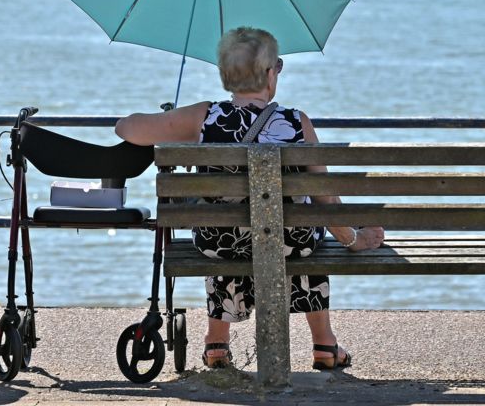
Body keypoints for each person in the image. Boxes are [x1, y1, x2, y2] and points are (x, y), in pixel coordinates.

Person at [115, 27, 385, 370]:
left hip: (220, 243)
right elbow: (325, 197)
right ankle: (324, 345)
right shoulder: (297, 123)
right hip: (291, 244)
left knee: (227, 228)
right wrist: (352, 239)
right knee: (299, 231)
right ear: (271, 75)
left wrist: (176, 124)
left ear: (225, 76)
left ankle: (216, 344)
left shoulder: (203, 117)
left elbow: (126, 128)